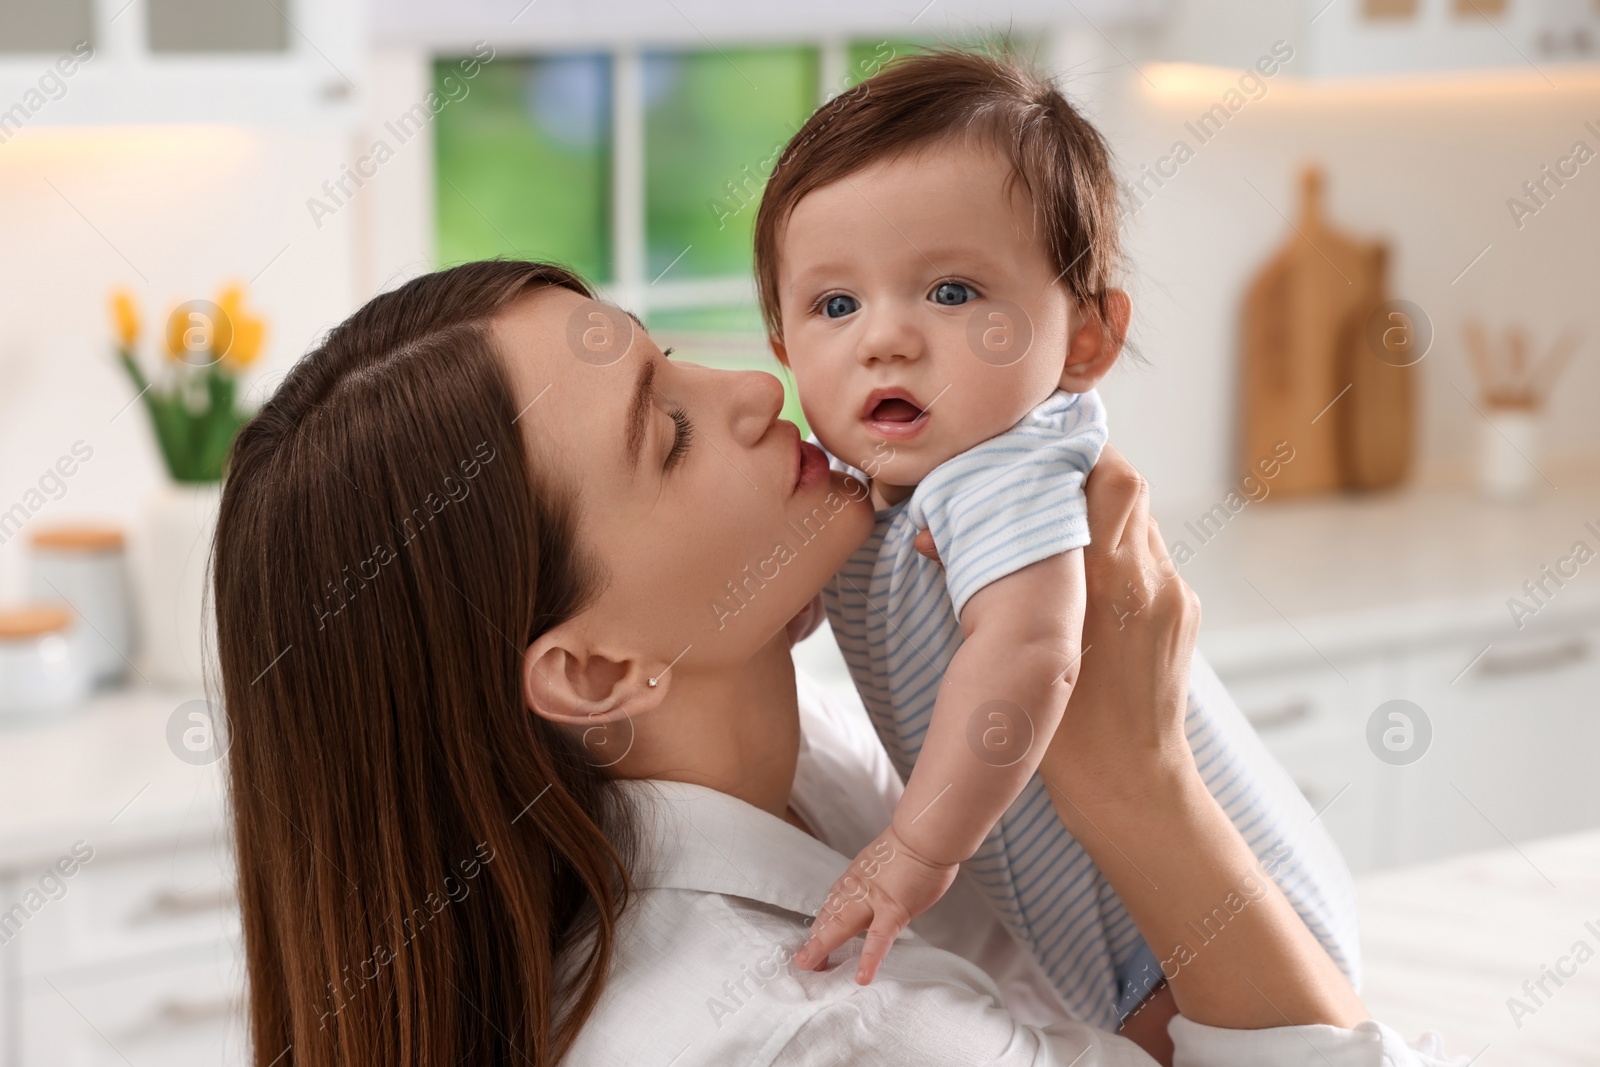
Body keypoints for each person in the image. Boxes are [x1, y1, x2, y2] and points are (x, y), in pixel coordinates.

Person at [212, 259, 1464, 1066]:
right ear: (594, 672)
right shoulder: (810, 1031)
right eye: (667, 429)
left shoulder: (812, 763)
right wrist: (1142, 776)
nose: (752, 390)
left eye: (666, 354)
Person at [755, 48, 1356, 1027]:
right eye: (835, 304)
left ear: (1083, 340)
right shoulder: (889, 490)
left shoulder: (1002, 470)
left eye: (950, 292)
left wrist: (915, 849)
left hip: (1185, 928)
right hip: (1117, 925)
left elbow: (1029, 651)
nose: (885, 338)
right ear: (783, 344)